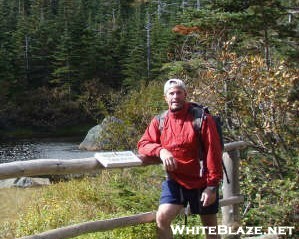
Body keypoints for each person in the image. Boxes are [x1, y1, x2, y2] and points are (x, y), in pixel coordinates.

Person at [137, 79, 223, 239]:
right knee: (162, 218)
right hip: (175, 181)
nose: (175, 96)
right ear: (165, 98)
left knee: (211, 229)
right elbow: (143, 143)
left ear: (185, 95)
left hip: (202, 182)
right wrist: (160, 151)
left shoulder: (202, 119)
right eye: (171, 93)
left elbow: (214, 152)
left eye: (178, 93)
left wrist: (212, 186)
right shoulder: (160, 120)